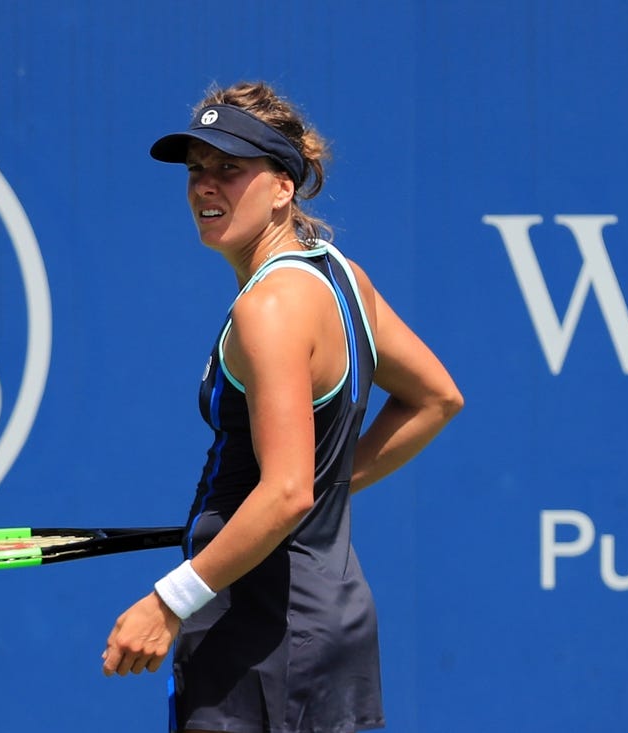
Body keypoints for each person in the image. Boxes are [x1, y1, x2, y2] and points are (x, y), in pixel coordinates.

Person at [101, 81, 464, 733]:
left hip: (263, 637)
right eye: (197, 171)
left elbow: (288, 491)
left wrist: (168, 600)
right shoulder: (344, 278)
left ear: (282, 187)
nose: (206, 186)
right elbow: (437, 398)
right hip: (329, 626)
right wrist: (327, 486)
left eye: (230, 170)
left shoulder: (269, 308)